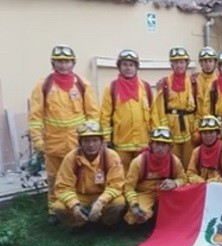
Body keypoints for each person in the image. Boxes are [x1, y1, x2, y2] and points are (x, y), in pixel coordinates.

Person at [28, 44, 99, 225]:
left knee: (79, 175)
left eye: (66, 61)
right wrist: (37, 138)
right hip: (54, 142)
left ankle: (79, 206)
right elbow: (36, 115)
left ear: (73, 63)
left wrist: (94, 138)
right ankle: (54, 209)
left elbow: (92, 113)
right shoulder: (43, 85)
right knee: (54, 177)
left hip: (79, 143)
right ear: (53, 63)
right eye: (59, 61)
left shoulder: (83, 84)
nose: (63, 65)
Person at [52, 120, 126, 229]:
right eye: (86, 141)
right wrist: (75, 205)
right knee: (58, 207)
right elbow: (63, 187)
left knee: (119, 203)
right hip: (80, 196)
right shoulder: (71, 158)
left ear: (102, 141)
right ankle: (78, 224)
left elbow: (116, 184)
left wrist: (100, 202)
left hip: (103, 194)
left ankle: (106, 224)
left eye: (95, 140)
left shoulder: (111, 156)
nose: (91, 145)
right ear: (80, 142)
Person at [100, 49, 153, 175]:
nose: (128, 68)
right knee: (121, 175)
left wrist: (154, 138)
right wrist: (105, 139)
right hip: (121, 144)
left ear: (136, 67)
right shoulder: (111, 88)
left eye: (131, 65)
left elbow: (153, 113)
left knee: (142, 175)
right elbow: (105, 115)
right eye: (124, 65)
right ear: (119, 67)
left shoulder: (145, 87)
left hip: (143, 143)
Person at [123, 126, 187, 225]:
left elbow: (183, 179)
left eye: (164, 144)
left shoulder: (174, 161)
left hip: (166, 193)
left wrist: (175, 183)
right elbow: (128, 187)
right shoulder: (139, 161)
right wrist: (134, 204)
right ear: (151, 145)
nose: (160, 148)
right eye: (157, 143)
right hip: (145, 193)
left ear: (170, 147)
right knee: (135, 217)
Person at [152, 46, 200, 168]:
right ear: (171, 64)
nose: (179, 65)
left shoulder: (194, 83)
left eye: (181, 62)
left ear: (186, 64)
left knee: (190, 162)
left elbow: (200, 108)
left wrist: (198, 129)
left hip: (189, 130)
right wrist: (163, 129)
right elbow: (159, 109)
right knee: (172, 163)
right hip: (171, 130)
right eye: (175, 62)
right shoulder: (165, 83)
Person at [186, 116, 222, 183]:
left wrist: (217, 181)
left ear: (217, 134)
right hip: (202, 188)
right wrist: (199, 181)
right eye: (205, 133)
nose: (208, 136)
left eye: (211, 132)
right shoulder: (196, 152)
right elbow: (190, 173)